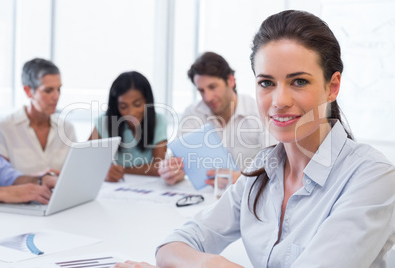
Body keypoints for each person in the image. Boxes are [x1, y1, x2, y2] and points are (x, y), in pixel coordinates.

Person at [117, 10, 395, 267]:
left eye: (299, 81)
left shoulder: (371, 177)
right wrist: (205, 263)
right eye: (267, 83)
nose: (279, 101)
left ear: (332, 86)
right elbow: (171, 246)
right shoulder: (261, 172)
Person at [158, 51, 272, 186]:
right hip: (205, 195)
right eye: (201, 90)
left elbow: (277, 164)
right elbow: (179, 161)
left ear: (230, 81)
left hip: (249, 194)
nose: (208, 97)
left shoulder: (258, 111)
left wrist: (243, 178)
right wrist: (172, 171)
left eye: (212, 87)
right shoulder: (193, 113)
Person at [0, 58, 76, 176]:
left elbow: (74, 173)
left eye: (59, 89)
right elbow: (1, 179)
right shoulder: (5, 128)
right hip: (22, 194)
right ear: (28, 91)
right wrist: (37, 180)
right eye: (48, 90)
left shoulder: (67, 128)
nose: (56, 96)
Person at [89, 71, 167, 181]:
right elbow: (85, 161)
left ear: (147, 101)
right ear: (116, 106)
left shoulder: (158, 120)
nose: (132, 113)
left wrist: (121, 170)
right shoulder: (105, 122)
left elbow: (158, 167)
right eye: (123, 106)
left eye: (137, 104)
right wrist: (104, 172)